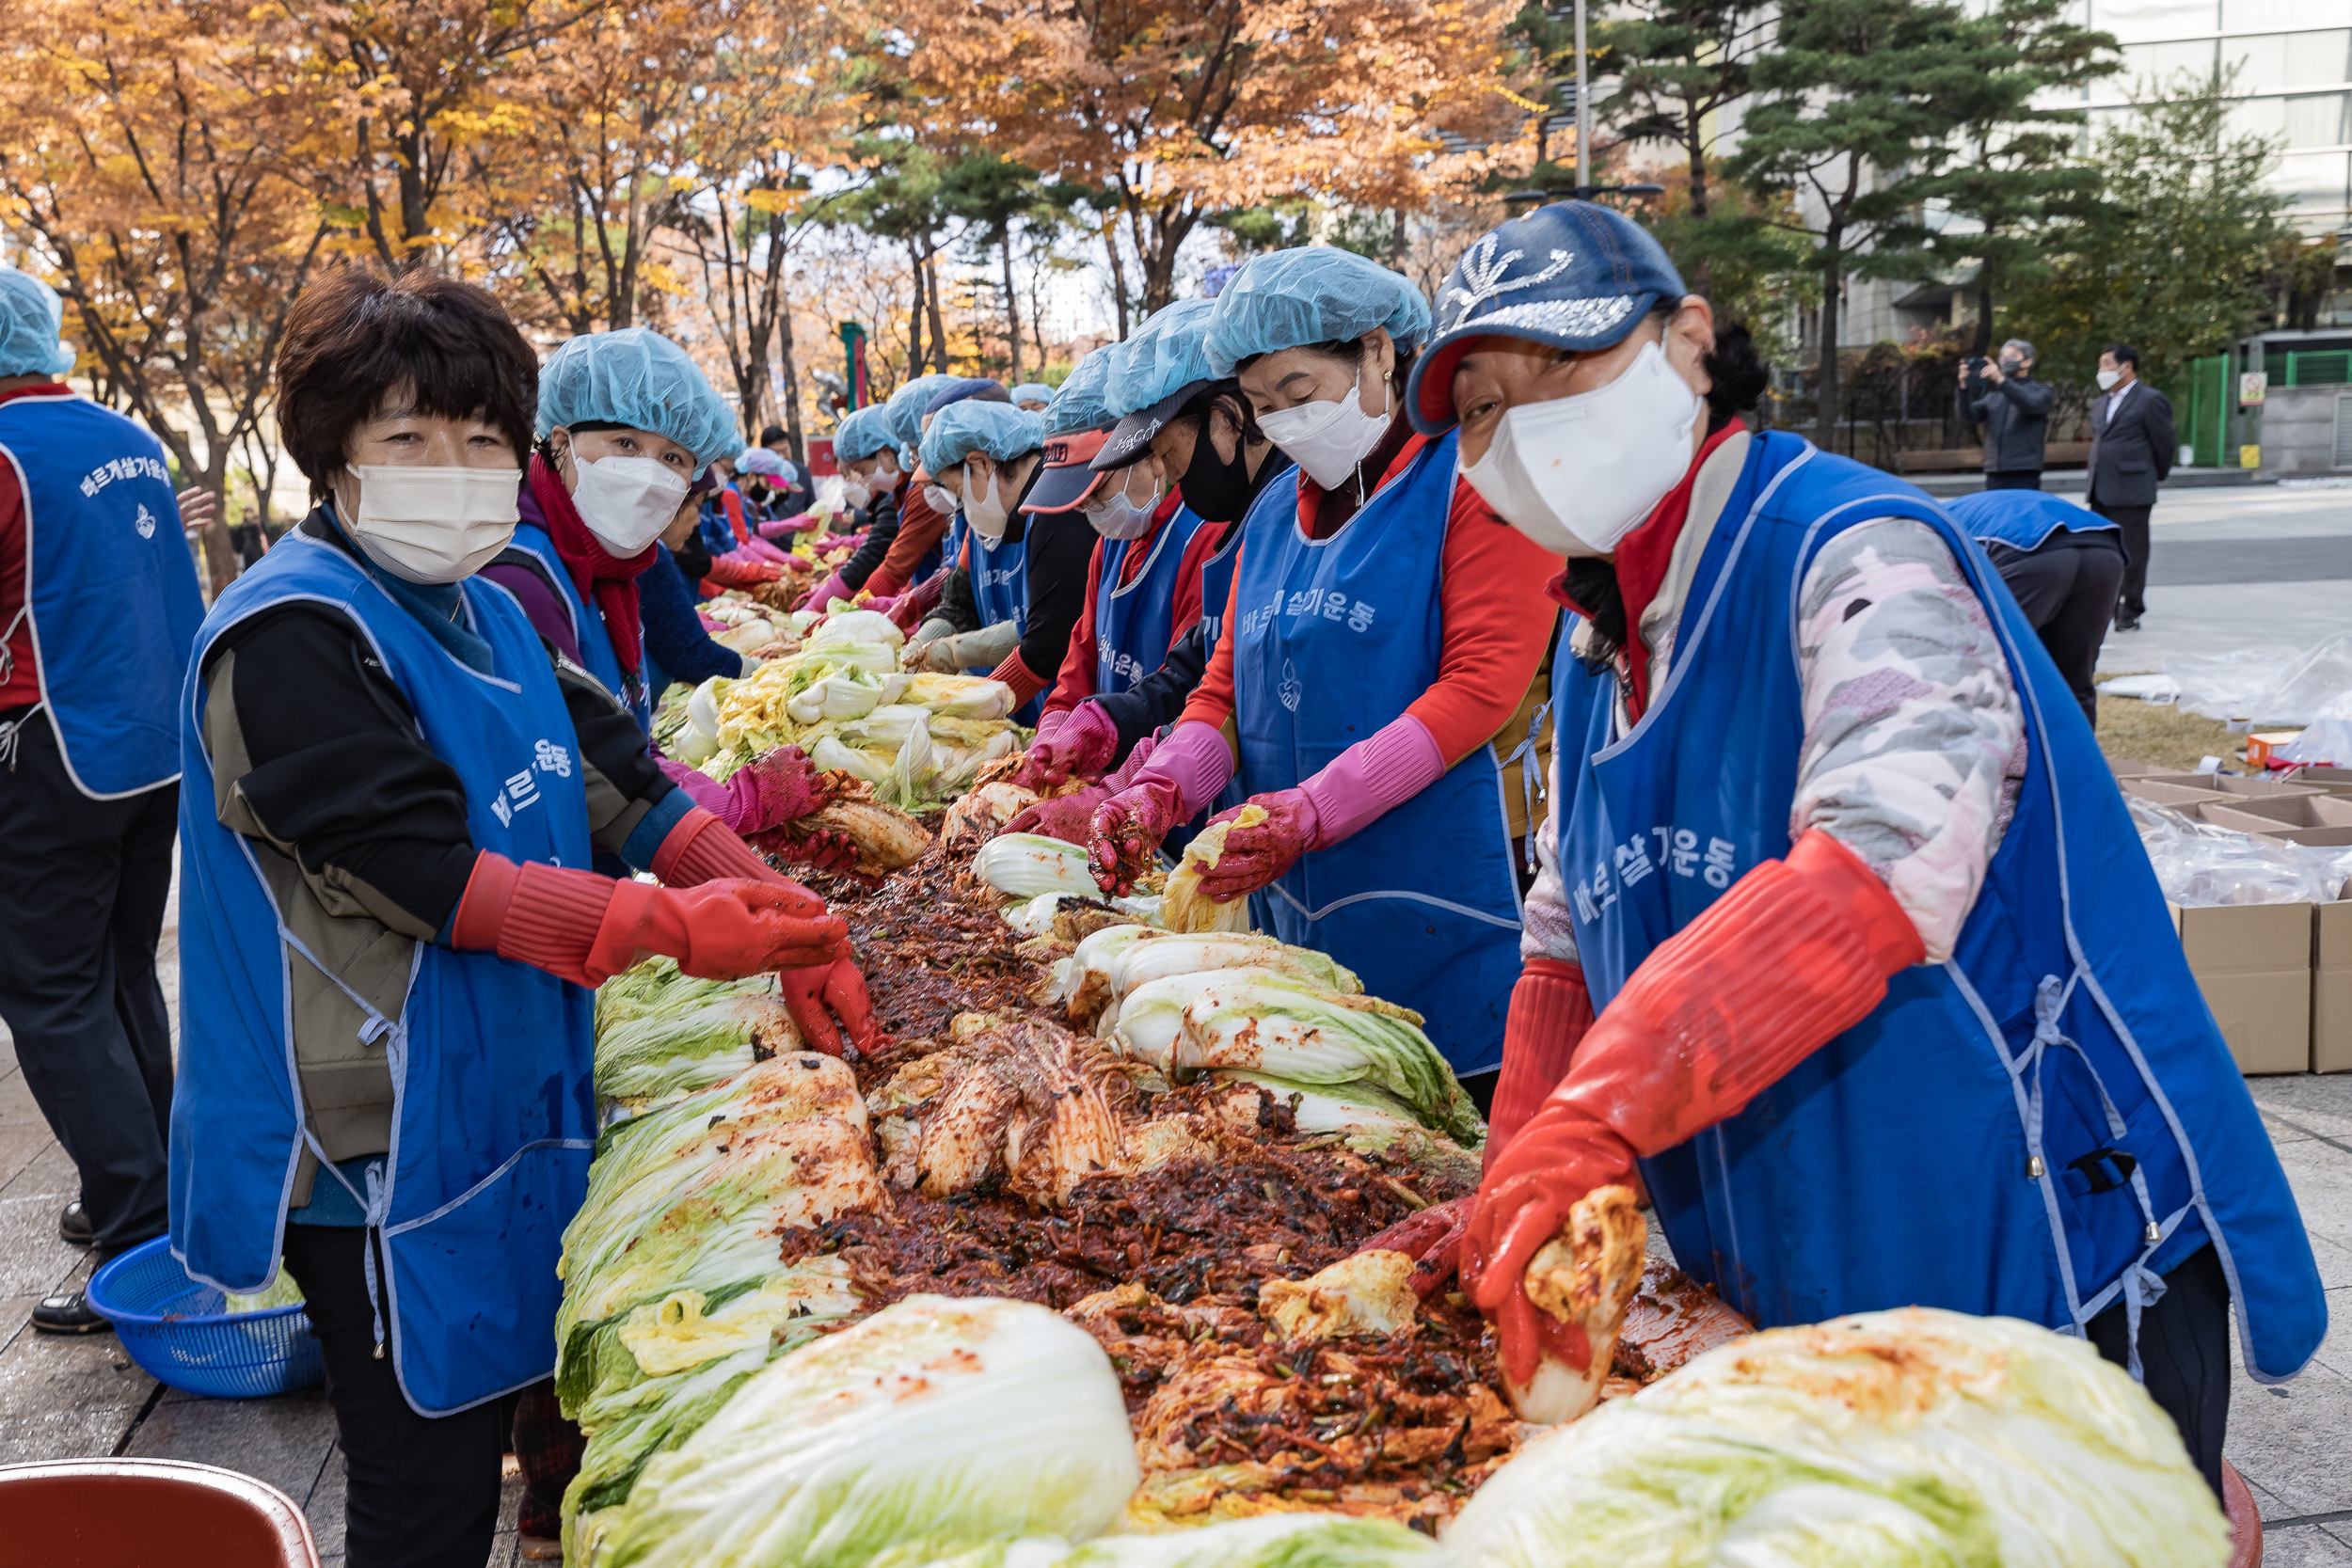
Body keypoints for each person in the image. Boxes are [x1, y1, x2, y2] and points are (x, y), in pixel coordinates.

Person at [1389, 199, 2321, 1501]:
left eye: (1563, 367)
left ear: (1689, 341)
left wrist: (1602, 1109)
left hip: (2033, 1226)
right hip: (1811, 1249)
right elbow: (1564, 933)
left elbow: (1884, 862)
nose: (1522, 424)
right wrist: (1515, 1177)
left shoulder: (1854, 550)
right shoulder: (1598, 639)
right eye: (1484, 403)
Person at [169, 267, 875, 1568]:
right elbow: (420, 869)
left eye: (480, 438)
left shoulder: (484, 606)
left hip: (495, 1080)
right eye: (408, 439)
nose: (453, 466)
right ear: (332, 456)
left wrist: (791, 912)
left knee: (484, 1416)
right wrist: (679, 932)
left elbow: (621, 780)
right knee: (421, 1483)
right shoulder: (289, 634)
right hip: (369, 1136)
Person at [1083, 249, 1561, 1084]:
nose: (1284, 423)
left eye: (1299, 393)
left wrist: (1312, 810)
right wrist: (1162, 787)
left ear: (1379, 351)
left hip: (1450, 908)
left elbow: (1482, 688)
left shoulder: (1471, 483)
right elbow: (1224, 690)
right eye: (1263, 407)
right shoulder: (1273, 514)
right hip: (1298, 930)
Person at [0, 267, 209, 1333]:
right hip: (156, 743)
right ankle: (157, 1186)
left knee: (48, 990)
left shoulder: (0, 452)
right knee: (121, 965)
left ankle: (138, 1230)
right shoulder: (126, 436)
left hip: (47, 747)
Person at [1003, 305, 1290, 842]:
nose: (1161, 468)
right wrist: (1063, 733)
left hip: (1199, 810)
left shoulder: (1212, 534)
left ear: (1231, 417)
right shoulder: (1111, 550)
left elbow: (1199, 688)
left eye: (1162, 454)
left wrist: (1131, 781)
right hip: (1162, 794)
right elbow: (1092, 659)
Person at [480, 327, 739, 735]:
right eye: (625, 443)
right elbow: (586, 760)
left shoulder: (617, 566)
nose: (649, 474)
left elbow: (623, 737)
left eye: (672, 457)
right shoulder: (522, 578)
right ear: (562, 442)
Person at [908, 402, 1049, 704]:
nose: (962, 505)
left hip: (1046, 701)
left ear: (982, 463)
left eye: (958, 491)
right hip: (1007, 699)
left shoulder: (1053, 519)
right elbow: (959, 604)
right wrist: (922, 641)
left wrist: (958, 651)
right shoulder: (981, 526)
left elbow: (1050, 626)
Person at [1947, 489, 2123, 728]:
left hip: (2029, 550)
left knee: (1991, 668)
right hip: (2103, 550)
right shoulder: (1947, 513)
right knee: (2074, 678)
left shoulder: (1921, 531)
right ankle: (2078, 762)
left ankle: (1989, 756)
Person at [806, 374, 956, 610]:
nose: (916, 464)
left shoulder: (923, 491)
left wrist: (852, 608)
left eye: (859, 471)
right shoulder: (904, 492)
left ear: (885, 452)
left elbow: (896, 563)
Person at [2090, 343, 2175, 633]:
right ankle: (2106, 606)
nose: (2101, 371)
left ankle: (2131, 609)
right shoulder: (2101, 403)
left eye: (2105, 364)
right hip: (2101, 488)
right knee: (2103, 551)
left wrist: (2151, 477)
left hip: (2133, 488)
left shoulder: (2150, 400)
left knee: (2133, 553)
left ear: (2125, 367)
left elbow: (2164, 444)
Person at [1954, 337, 2052, 490]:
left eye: (2012, 356)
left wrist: (2000, 380)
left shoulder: (2041, 391)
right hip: (1995, 470)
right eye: (2003, 357)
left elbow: (2031, 404)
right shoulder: (1994, 396)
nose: (2005, 361)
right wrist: (1963, 387)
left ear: (2028, 362)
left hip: (2024, 470)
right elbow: (1967, 416)